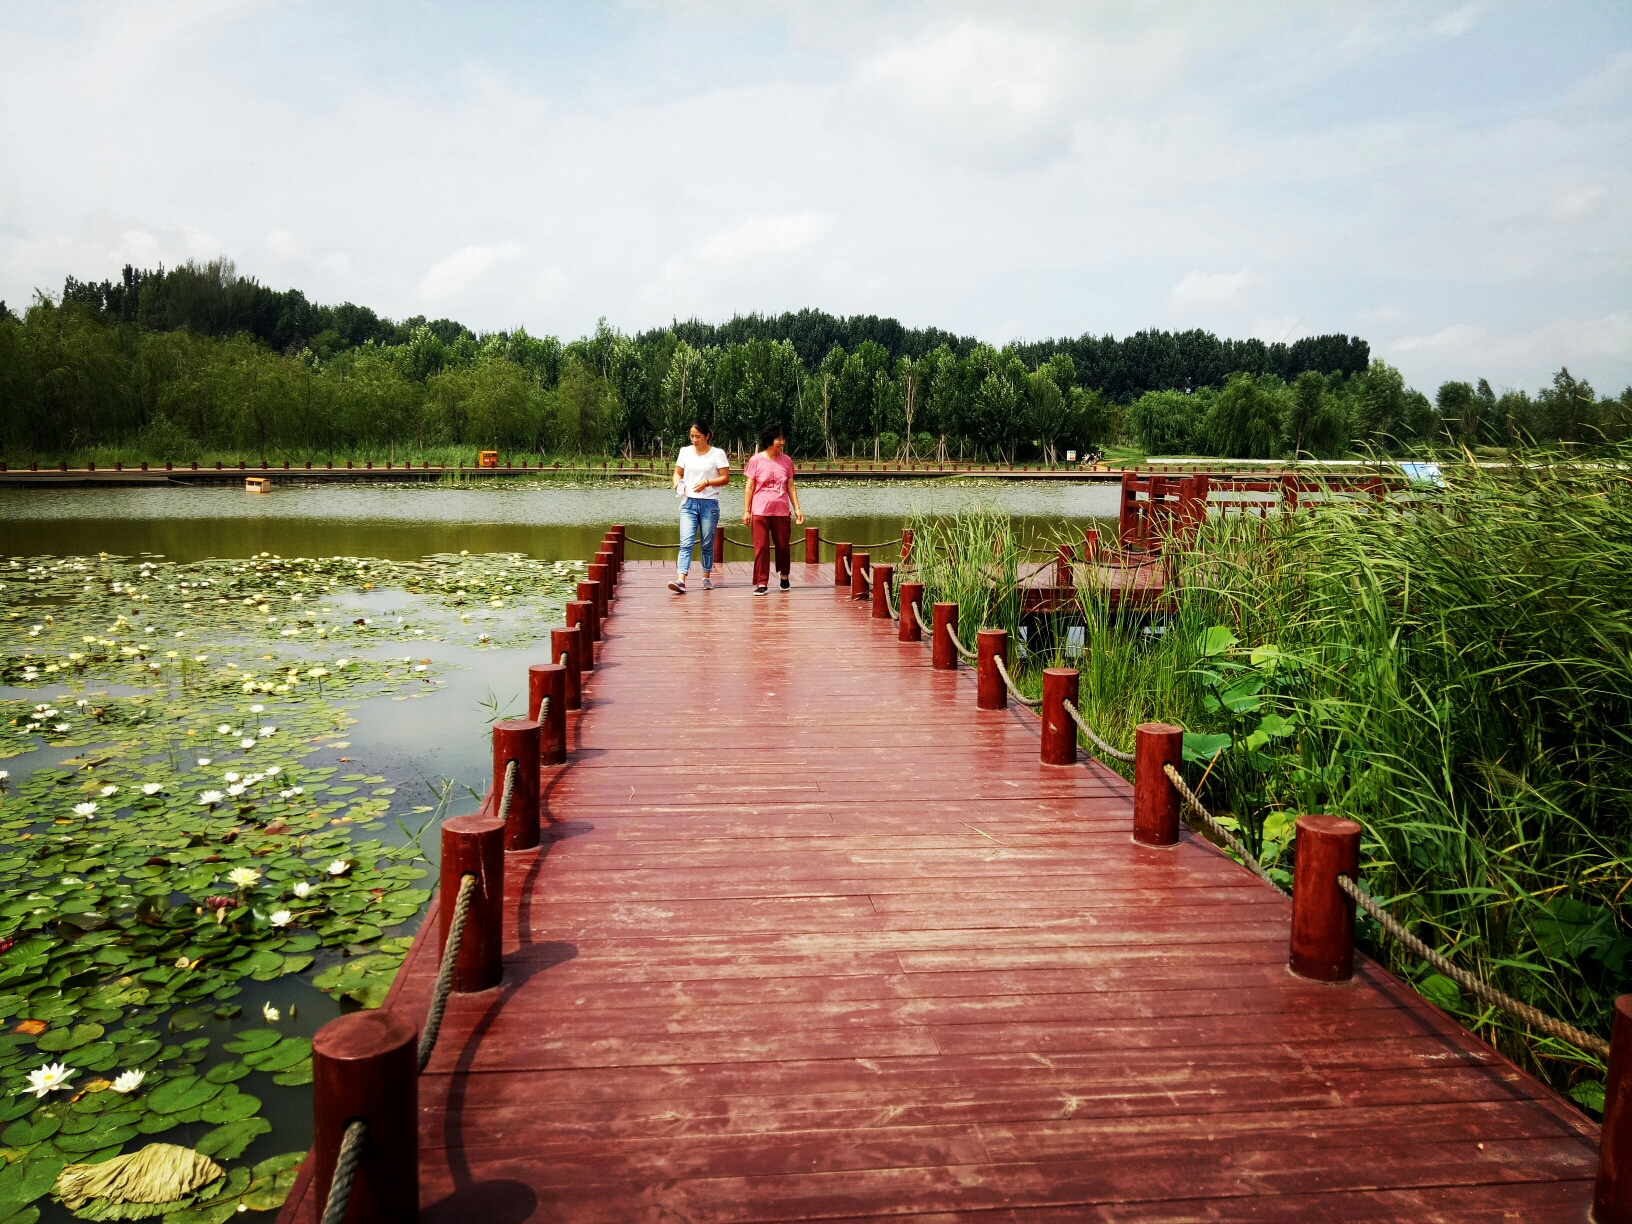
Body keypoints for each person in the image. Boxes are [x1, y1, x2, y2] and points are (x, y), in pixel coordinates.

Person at [741, 424, 804, 596]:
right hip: (760, 510)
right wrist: (746, 511)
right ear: (769, 440)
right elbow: (749, 487)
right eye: (779, 439)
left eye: (783, 438)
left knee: (783, 546)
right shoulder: (756, 460)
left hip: (781, 510)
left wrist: (797, 509)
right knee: (761, 547)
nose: (782, 442)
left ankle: (784, 576)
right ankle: (762, 582)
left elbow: (790, 485)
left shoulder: (786, 461)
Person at [670, 421, 729, 594]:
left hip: (709, 503)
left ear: (707, 436)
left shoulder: (717, 454)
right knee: (686, 542)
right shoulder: (685, 452)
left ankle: (706, 576)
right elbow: (677, 472)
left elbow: (725, 478)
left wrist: (707, 483)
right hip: (689, 503)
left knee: (707, 542)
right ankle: (681, 579)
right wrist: (676, 484)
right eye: (692, 436)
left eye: (698, 436)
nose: (694, 440)